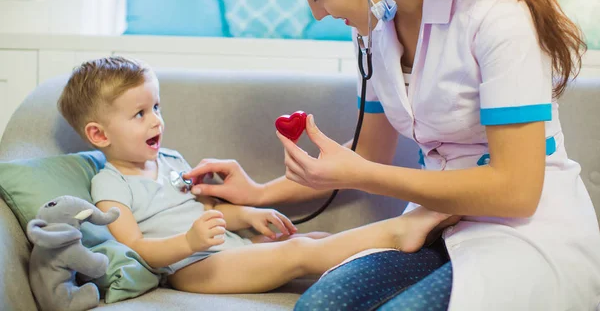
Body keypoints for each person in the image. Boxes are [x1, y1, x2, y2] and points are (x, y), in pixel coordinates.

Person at [183, 0, 600, 309]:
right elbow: (366, 156)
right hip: (435, 223)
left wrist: (363, 175)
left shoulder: (496, 17)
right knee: (321, 304)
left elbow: (516, 191)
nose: (318, 13)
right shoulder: (376, 26)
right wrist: (258, 193)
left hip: (527, 232)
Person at [57, 56, 457, 294]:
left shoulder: (171, 160)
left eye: (156, 107)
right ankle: (400, 231)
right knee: (298, 254)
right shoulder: (109, 184)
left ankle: (403, 270)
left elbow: (212, 212)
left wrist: (245, 216)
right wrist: (187, 241)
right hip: (189, 270)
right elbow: (136, 248)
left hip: (227, 251)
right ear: (99, 134)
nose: (156, 121)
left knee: (314, 239)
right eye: (140, 114)